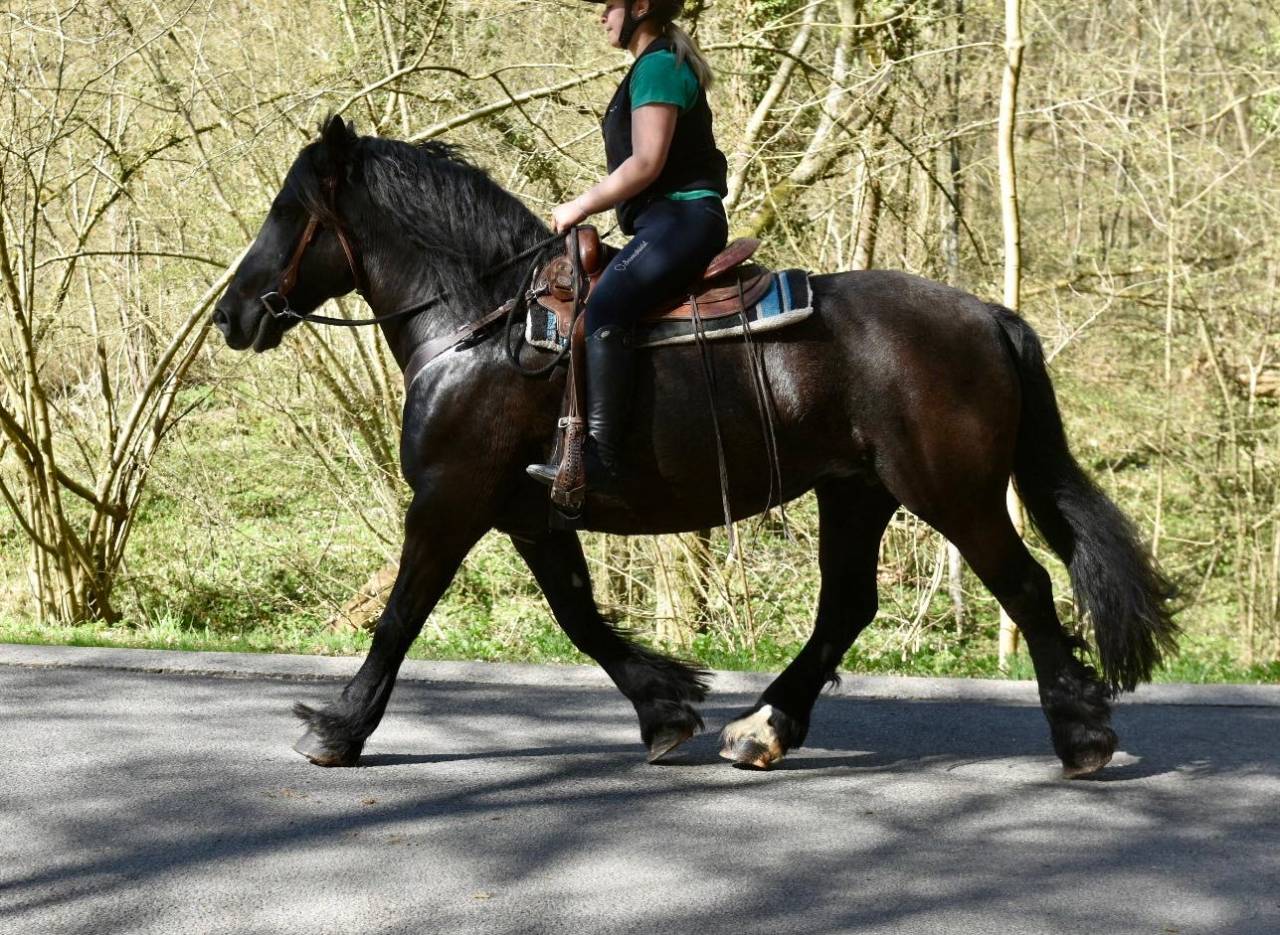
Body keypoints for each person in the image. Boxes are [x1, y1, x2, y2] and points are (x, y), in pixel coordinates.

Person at [527, 0, 729, 492]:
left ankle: (602, 461)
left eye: (609, 5)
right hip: (665, 222)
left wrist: (579, 206)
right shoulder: (653, 64)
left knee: (605, 308)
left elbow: (645, 164)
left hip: (683, 218)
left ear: (641, 6)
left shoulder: (660, 65)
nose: (602, 16)